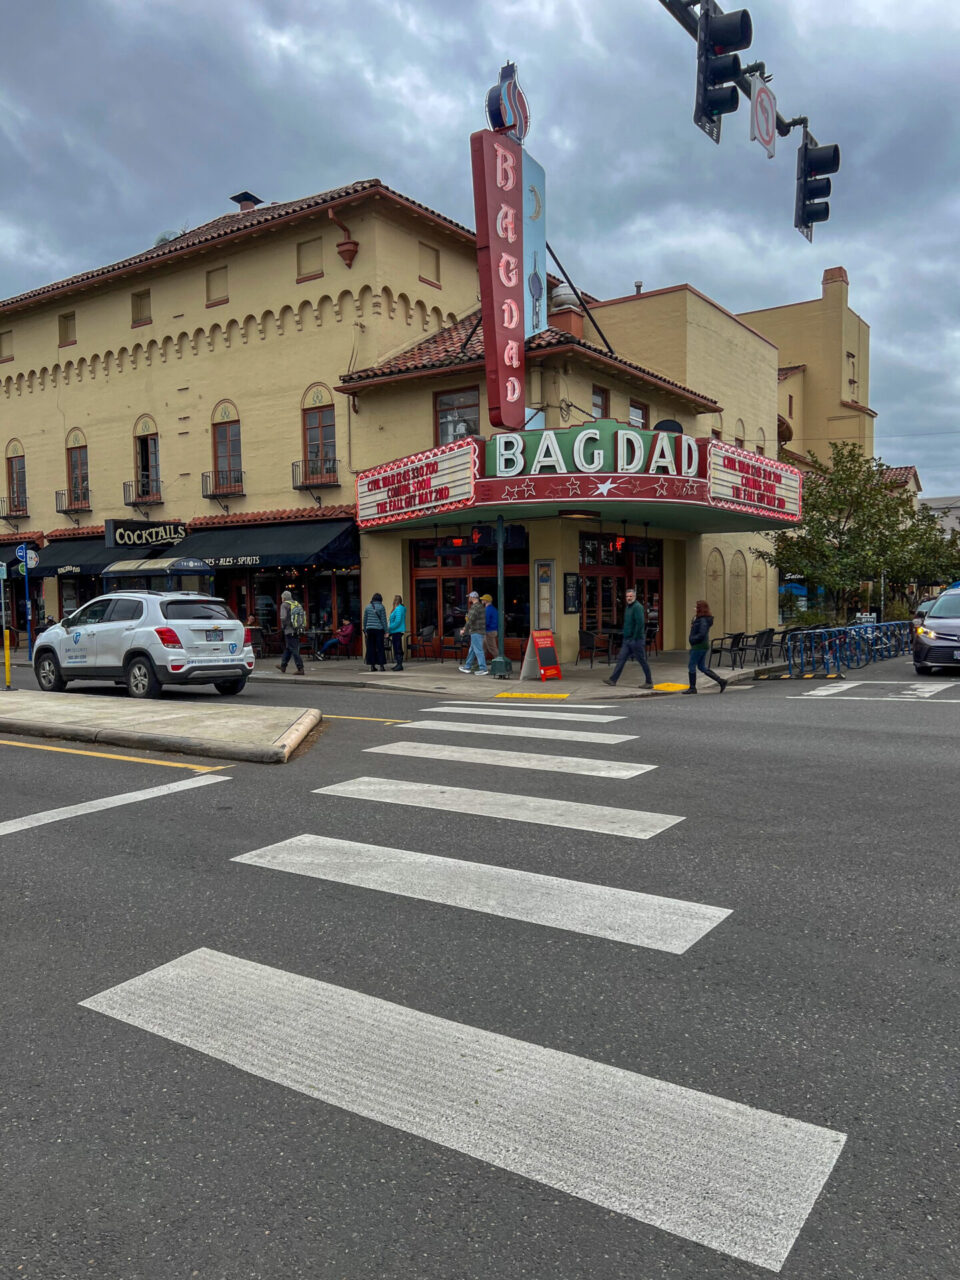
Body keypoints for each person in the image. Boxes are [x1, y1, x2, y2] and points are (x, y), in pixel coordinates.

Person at [604, 587, 653, 688]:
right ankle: (613, 680)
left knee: (642, 660)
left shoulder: (637, 607)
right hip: (627, 640)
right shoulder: (628, 607)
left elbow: (640, 624)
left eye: (631, 596)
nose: (629, 598)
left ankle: (649, 682)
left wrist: (634, 637)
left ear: (634, 597)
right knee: (621, 659)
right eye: (627, 596)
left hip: (636, 640)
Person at [684, 599, 727, 694]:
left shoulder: (702, 620)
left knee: (691, 665)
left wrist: (693, 639)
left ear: (700, 609)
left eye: (697, 607)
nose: (695, 608)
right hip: (702, 645)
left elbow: (702, 633)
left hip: (699, 646)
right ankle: (721, 681)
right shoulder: (701, 618)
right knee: (702, 667)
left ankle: (692, 688)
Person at [275, 589, 305, 675]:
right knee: (288, 648)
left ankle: (300, 668)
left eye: (282, 598)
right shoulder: (296, 603)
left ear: (284, 598)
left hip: (289, 630)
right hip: (297, 630)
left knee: (294, 650)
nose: (281, 599)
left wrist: (283, 626)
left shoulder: (284, 605)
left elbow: (283, 617)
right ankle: (283, 666)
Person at [458, 590, 489, 675]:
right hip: (479, 631)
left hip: (476, 631)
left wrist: (464, 629)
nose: (468, 598)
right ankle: (467, 666)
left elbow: (470, 620)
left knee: (478, 650)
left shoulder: (475, 607)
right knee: (472, 650)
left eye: (469, 597)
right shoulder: (480, 606)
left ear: (472, 597)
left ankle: (483, 669)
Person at [362, 592, 388, 671]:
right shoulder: (381, 607)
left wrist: (365, 629)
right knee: (380, 647)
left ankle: (372, 666)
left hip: (369, 630)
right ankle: (381, 666)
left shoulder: (367, 607)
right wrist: (386, 631)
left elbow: (365, 619)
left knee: (371, 647)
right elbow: (383, 620)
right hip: (379, 630)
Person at [388, 594, 406, 671]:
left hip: (396, 630)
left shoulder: (398, 609)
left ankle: (399, 664)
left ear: (396, 601)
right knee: (398, 646)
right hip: (398, 630)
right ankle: (398, 664)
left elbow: (397, 621)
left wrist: (390, 627)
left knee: (397, 647)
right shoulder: (402, 608)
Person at [481, 593, 499, 662]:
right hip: (492, 630)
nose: (482, 601)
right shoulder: (494, 609)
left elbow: (486, 621)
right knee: (483, 648)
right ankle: (481, 664)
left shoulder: (487, 609)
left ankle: (498, 662)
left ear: (486, 600)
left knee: (492, 648)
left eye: (483, 599)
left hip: (489, 631)